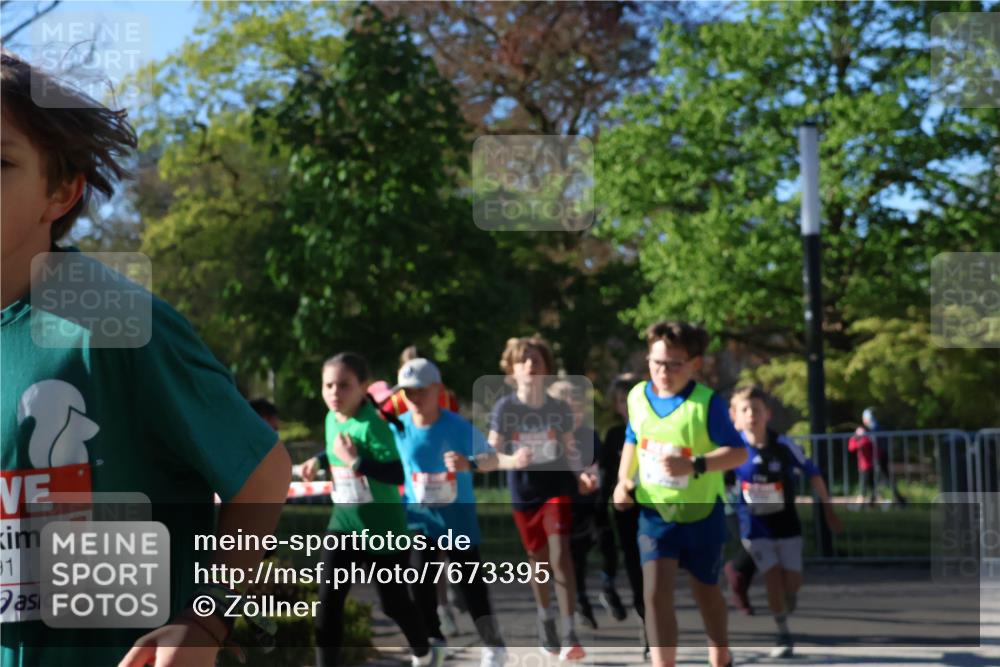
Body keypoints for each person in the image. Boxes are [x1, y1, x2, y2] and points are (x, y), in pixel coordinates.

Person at [1, 50, 292, 667]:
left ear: (61, 191)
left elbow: (263, 475)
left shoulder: (116, 324)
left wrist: (206, 626)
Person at [612, 321, 748, 667]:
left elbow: (738, 453)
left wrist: (695, 465)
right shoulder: (638, 396)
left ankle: (720, 653)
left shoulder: (706, 404)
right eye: (657, 362)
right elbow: (633, 438)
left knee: (705, 591)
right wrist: (622, 481)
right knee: (655, 593)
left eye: (674, 364)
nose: (663, 371)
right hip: (656, 514)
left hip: (702, 514)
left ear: (695, 364)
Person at [299, 353, 443, 667]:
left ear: (364, 387)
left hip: (383, 530)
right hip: (344, 524)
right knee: (327, 603)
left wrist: (355, 462)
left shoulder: (374, 425)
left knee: (394, 604)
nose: (334, 393)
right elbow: (337, 444)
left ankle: (424, 652)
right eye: (328, 386)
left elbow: (396, 473)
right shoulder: (331, 417)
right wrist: (319, 460)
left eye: (344, 385)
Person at [392, 357, 530, 667]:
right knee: (418, 581)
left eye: (419, 391)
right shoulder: (398, 426)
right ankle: (433, 641)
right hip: (419, 519)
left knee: (470, 586)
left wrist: (470, 464)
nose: (413, 398)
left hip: (457, 519)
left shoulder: (455, 426)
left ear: (437, 390)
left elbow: (491, 458)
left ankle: (494, 646)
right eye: (406, 393)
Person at [488, 335, 596, 661]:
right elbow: (491, 454)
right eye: (524, 361)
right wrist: (511, 460)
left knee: (561, 553)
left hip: (557, 490)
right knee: (539, 562)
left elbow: (570, 448)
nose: (531, 366)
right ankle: (545, 617)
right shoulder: (505, 408)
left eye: (537, 360)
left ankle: (569, 629)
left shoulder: (558, 407)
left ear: (547, 368)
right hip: (525, 493)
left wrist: (581, 475)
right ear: (512, 370)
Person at [729, 385, 843, 658]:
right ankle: (783, 632)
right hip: (754, 528)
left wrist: (828, 508)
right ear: (736, 416)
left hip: (787, 525)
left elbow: (813, 473)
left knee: (792, 582)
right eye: (745, 410)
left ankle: (786, 601)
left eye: (756, 409)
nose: (751, 415)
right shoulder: (732, 450)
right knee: (772, 578)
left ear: (767, 414)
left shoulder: (784, 445)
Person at [547, 380, 604, 629]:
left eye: (579, 409)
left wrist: (593, 481)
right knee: (565, 558)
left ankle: (586, 593)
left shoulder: (589, 436)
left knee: (585, 554)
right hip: (560, 507)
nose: (575, 415)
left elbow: (598, 468)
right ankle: (573, 604)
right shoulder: (549, 439)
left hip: (586, 507)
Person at [602, 374, 647, 654]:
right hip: (627, 510)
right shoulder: (615, 436)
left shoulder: (658, 430)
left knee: (657, 568)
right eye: (622, 401)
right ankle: (646, 623)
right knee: (635, 566)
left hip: (658, 507)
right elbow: (608, 475)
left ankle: (656, 622)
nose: (628, 406)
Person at [850, 407, 906, 506]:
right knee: (877, 480)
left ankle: (895, 500)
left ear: (867, 418)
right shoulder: (875, 428)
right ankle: (877, 500)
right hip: (878, 457)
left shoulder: (873, 429)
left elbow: (872, 444)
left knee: (877, 479)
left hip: (877, 458)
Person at [383, 345, 460, 416]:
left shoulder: (448, 399)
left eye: (420, 370)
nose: (415, 398)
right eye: (409, 372)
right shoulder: (393, 405)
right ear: (399, 373)